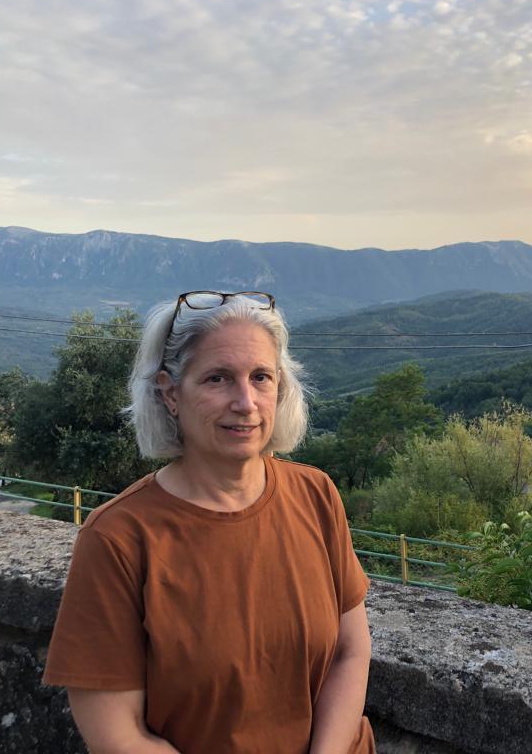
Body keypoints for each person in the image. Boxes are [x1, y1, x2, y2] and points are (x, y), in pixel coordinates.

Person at [42, 291, 375, 754]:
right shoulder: (118, 538)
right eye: (218, 378)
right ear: (170, 393)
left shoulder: (315, 494)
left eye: (261, 377)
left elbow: (349, 652)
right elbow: (116, 734)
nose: (246, 401)